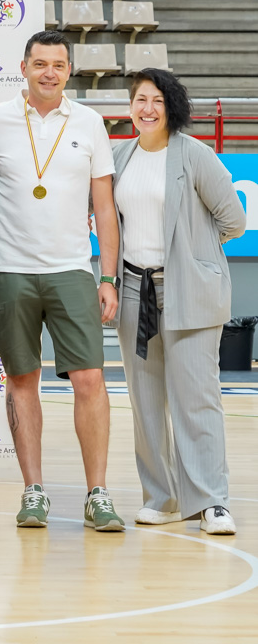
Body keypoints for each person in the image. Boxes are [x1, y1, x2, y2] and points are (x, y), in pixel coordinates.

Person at [0, 30, 124, 531]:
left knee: (90, 379)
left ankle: (97, 493)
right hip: (11, 269)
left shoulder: (89, 122)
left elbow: (104, 207)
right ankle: (33, 490)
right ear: (23, 67)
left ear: (69, 71)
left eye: (58, 65)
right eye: (40, 64)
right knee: (22, 381)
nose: (49, 73)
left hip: (72, 270)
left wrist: (107, 275)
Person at [113, 68, 245, 535]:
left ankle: (211, 501)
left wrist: (195, 257)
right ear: (130, 107)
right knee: (145, 401)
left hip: (187, 290)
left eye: (157, 101)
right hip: (134, 290)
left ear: (172, 108)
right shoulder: (120, 155)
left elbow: (234, 221)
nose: (148, 108)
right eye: (140, 100)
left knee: (196, 399)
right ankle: (161, 497)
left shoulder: (195, 155)